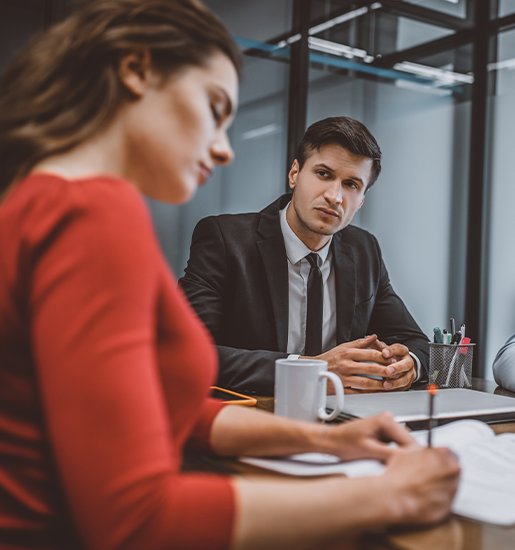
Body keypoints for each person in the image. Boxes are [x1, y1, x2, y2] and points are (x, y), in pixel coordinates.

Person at [0, 1, 459, 548]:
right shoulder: (92, 217)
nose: (222, 149)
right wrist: (391, 495)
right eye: (214, 108)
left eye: (354, 186)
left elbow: (164, 408)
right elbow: (134, 518)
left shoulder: (43, 201)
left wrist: (335, 439)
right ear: (136, 71)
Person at [180, 116, 429, 396]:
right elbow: (185, 351)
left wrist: (408, 367)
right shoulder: (225, 240)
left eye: (351, 185)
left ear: (361, 200)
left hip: (345, 417)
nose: (335, 196)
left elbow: (414, 342)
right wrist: (311, 370)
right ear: (294, 173)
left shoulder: (364, 249)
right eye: (323, 174)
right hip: (253, 417)